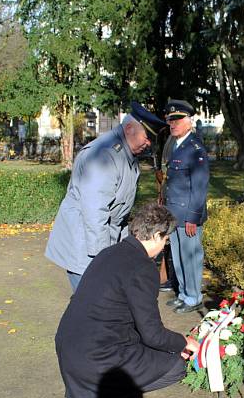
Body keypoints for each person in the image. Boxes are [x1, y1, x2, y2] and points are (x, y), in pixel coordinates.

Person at [54, 202, 201, 398]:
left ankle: (103, 393)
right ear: (157, 236)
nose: (165, 245)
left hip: (70, 349)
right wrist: (184, 342)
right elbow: (152, 334)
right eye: (165, 239)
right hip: (96, 361)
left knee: (149, 353)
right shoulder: (143, 268)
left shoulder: (109, 252)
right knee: (176, 366)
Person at [45, 102, 166, 291]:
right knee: (93, 309)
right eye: (147, 136)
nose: (149, 143)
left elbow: (120, 214)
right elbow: (95, 214)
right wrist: (104, 260)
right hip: (87, 249)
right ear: (129, 129)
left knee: (102, 308)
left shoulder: (125, 154)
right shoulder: (104, 156)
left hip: (102, 244)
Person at [163, 99, 210, 314]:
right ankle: (183, 293)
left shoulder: (195, 148)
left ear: (189, 122)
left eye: (177, 120)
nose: (173, 124)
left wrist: (193, 217)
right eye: (170, 121)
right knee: (178, 256)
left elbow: (199, 186)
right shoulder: (176, 145)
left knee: (191, 256)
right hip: (174, 213)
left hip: (188, 214)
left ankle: (194, 297)